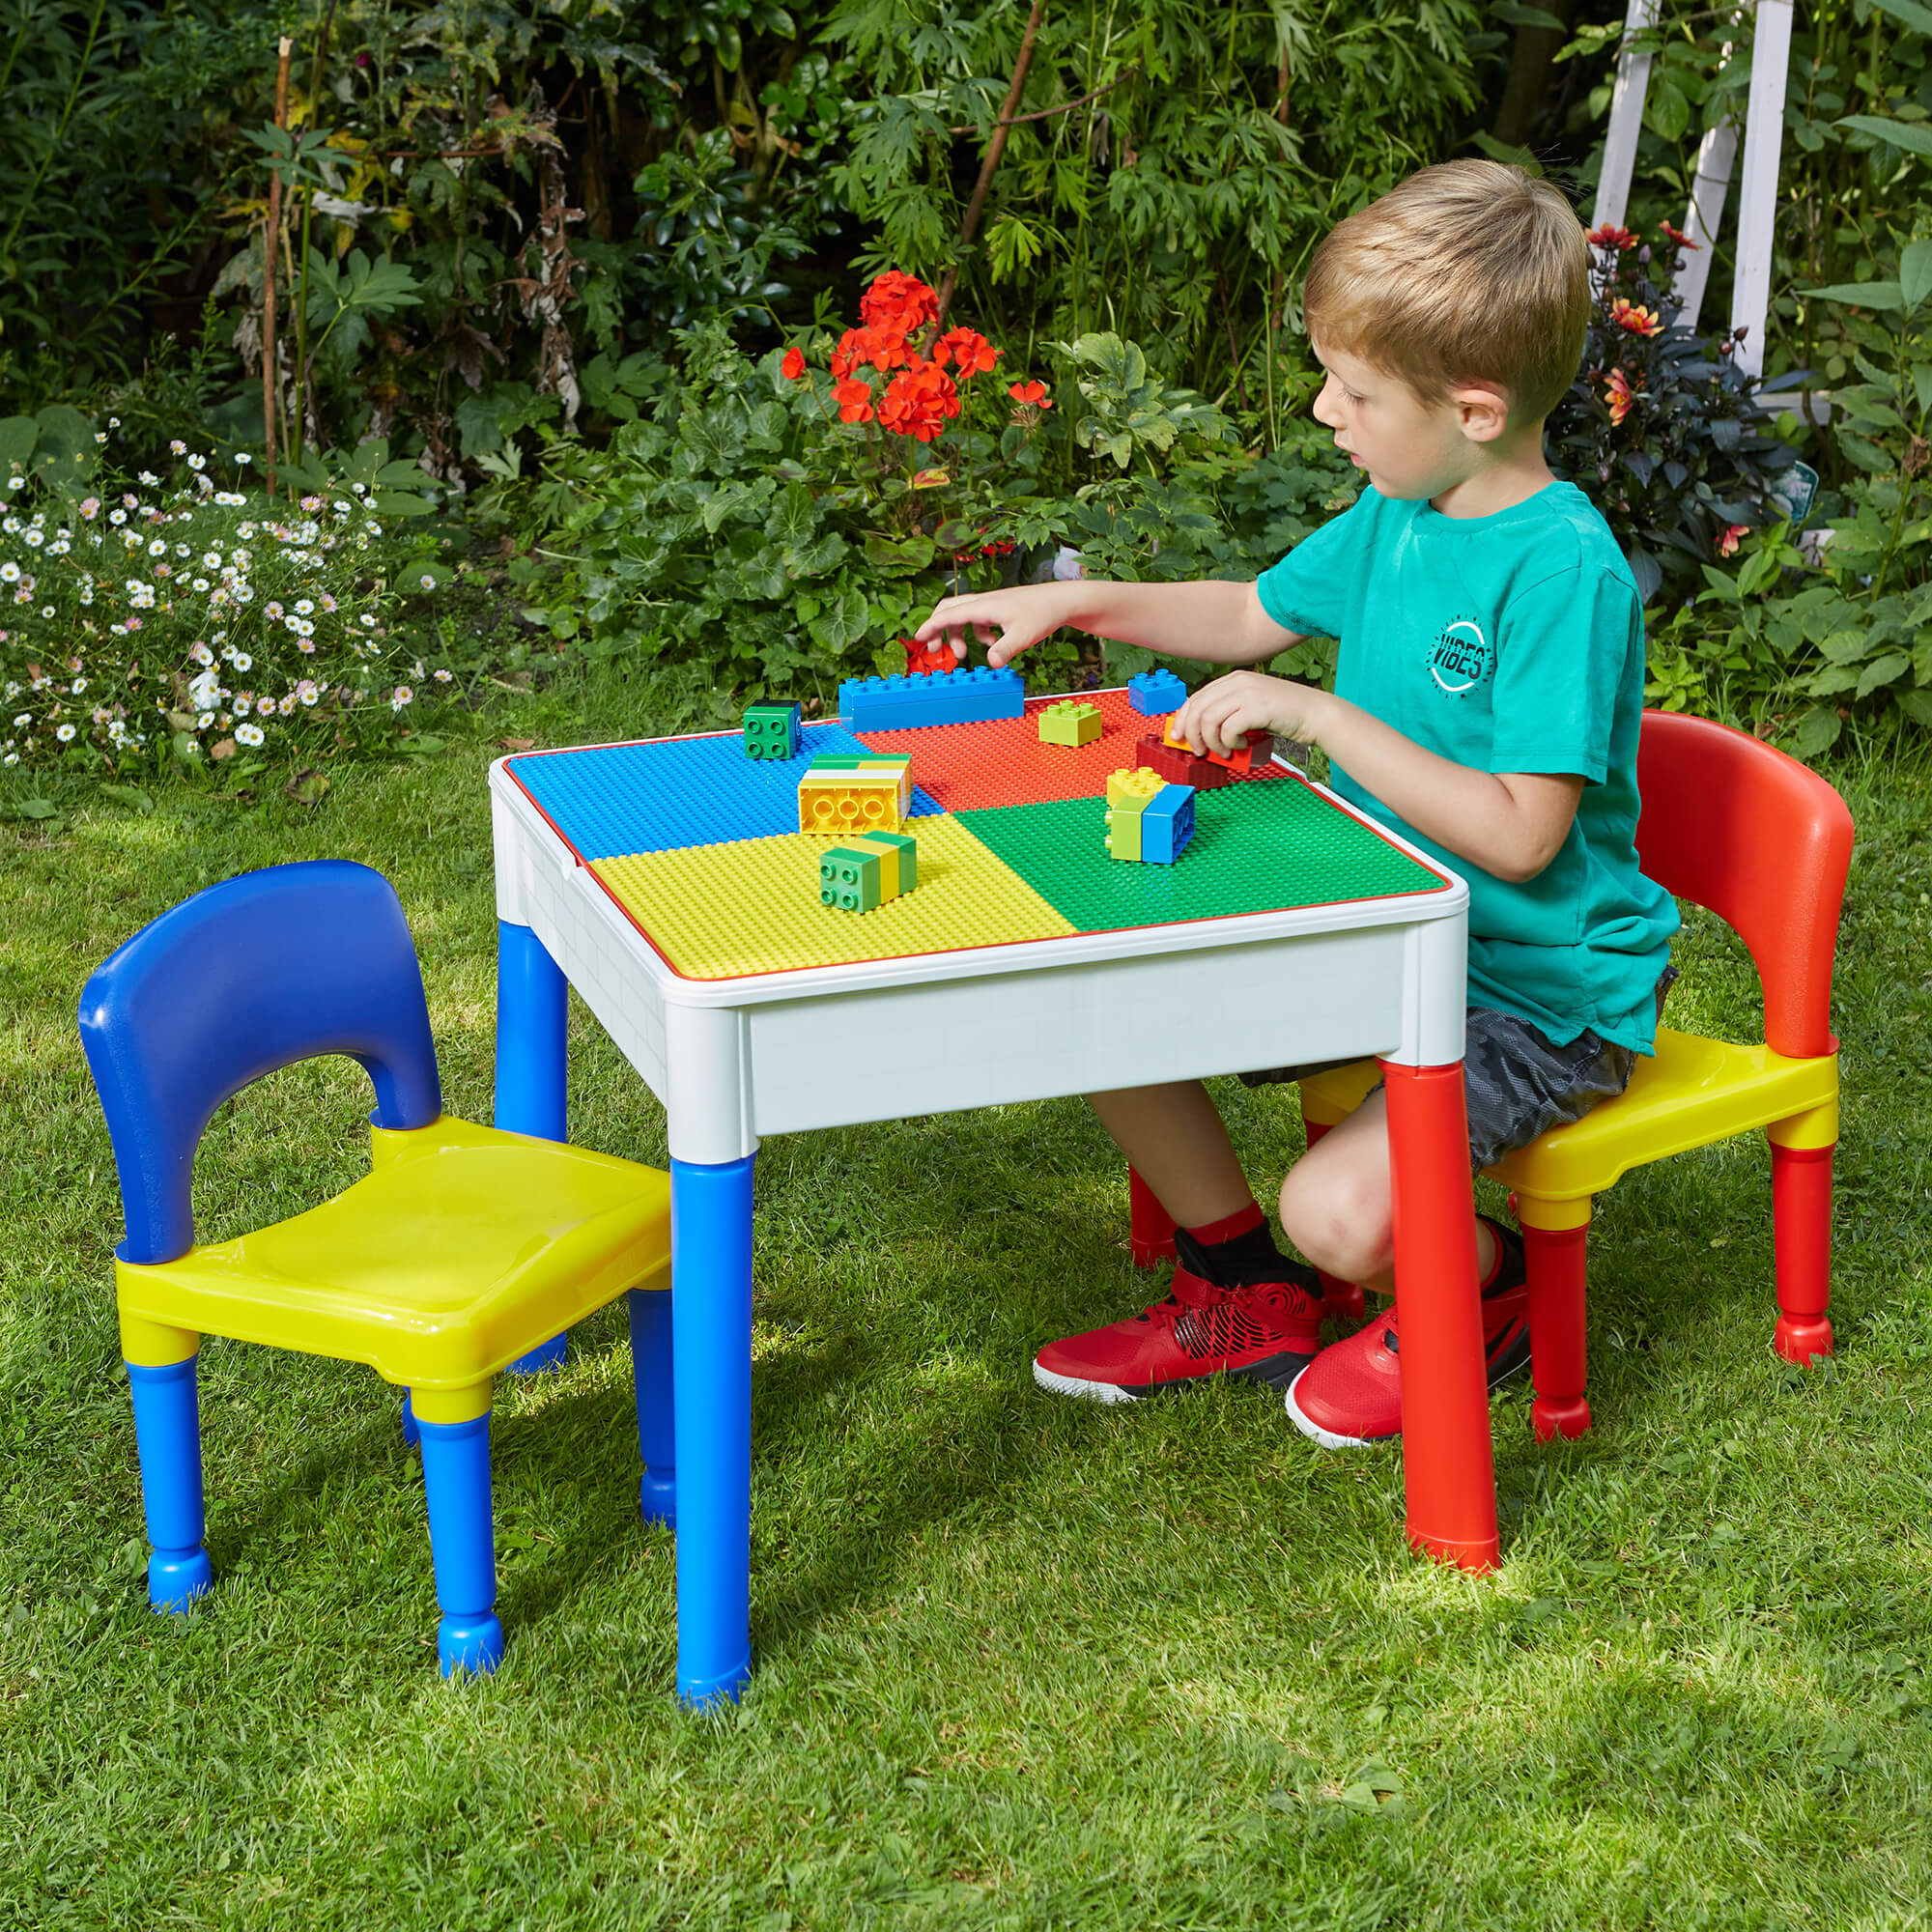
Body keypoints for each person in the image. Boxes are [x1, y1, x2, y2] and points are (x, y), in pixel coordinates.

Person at [909, 159, 1679, 1448]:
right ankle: (1239, 1286)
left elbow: (1523, 836)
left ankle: (1489, 1296)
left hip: (1533, 994)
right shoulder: (1399, 508)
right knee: (1096, 994)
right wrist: (1077, 605)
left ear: (1475, 408)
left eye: (1357, 391)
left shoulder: (1561, 574)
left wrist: (1322, 719)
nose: (1327, 410)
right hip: (1381, 926)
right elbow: (1249, 616)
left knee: (1341, 1215)